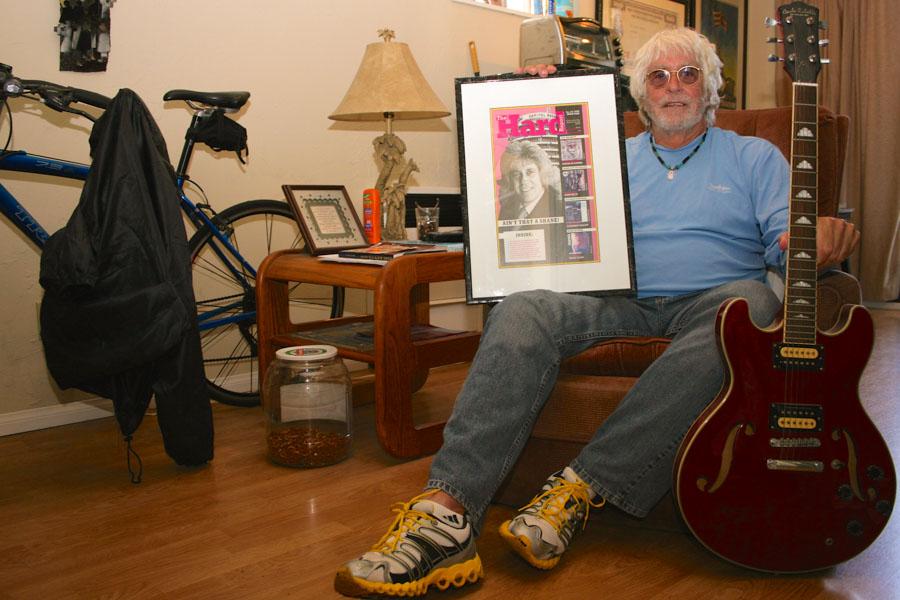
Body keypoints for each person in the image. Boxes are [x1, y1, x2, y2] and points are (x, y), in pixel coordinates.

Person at [333, 28, 859, 598]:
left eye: (688, 75)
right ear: (640, 95)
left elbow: (789, 240)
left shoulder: (755, 156)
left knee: (751, 304)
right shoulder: (604, 153)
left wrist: (816, 236)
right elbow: (535, 185)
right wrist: (528, 101)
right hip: (614, 300)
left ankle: (579, 490)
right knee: (522, 308)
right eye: (658, 76)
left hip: (713, 301)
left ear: (711, 90)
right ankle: (449, 512)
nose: (674, 87)